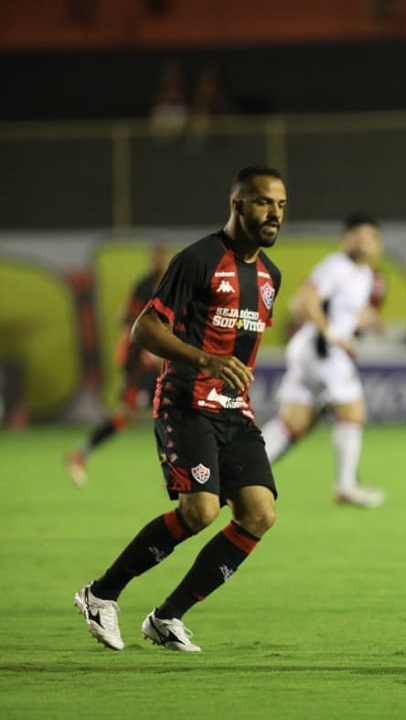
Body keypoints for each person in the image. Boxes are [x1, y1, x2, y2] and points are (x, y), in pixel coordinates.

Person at [74, 165, 287, 652]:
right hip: (186, 401)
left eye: (280, 204)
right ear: (237, 205)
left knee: (259, 514)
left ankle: (166, 617)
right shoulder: (198, 259)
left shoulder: (270, 276)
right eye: (262, 202)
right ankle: (100, 594)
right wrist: (205, 358)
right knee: (201, 510)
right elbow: (144, 330)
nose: (273, 213)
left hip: (234, 411)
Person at [260, 213, 386, 508]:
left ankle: (234, 475)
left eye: (369, 237)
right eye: (357, 236)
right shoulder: (336, 266)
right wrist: (333, 335)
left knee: (291, 424)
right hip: (322, 351)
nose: (363, 243)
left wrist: (370, 322)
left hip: (313, 351)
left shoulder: (365, 275)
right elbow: (305, 302)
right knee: (353, 412)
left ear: (378, 243)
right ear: (346, 240)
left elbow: (348, 312)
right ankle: (346, 486)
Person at [67, 243, 172, 487]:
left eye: (164, 257)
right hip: (139, 360)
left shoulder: (168, 285)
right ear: (151, 259)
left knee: (154, 409)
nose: (160, 261)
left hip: (155, 357)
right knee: (135, 412)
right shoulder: (145, 285)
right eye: (157, 257)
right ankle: (80, 453)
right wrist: (144, 342)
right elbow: (125, 316)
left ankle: (176, 470)